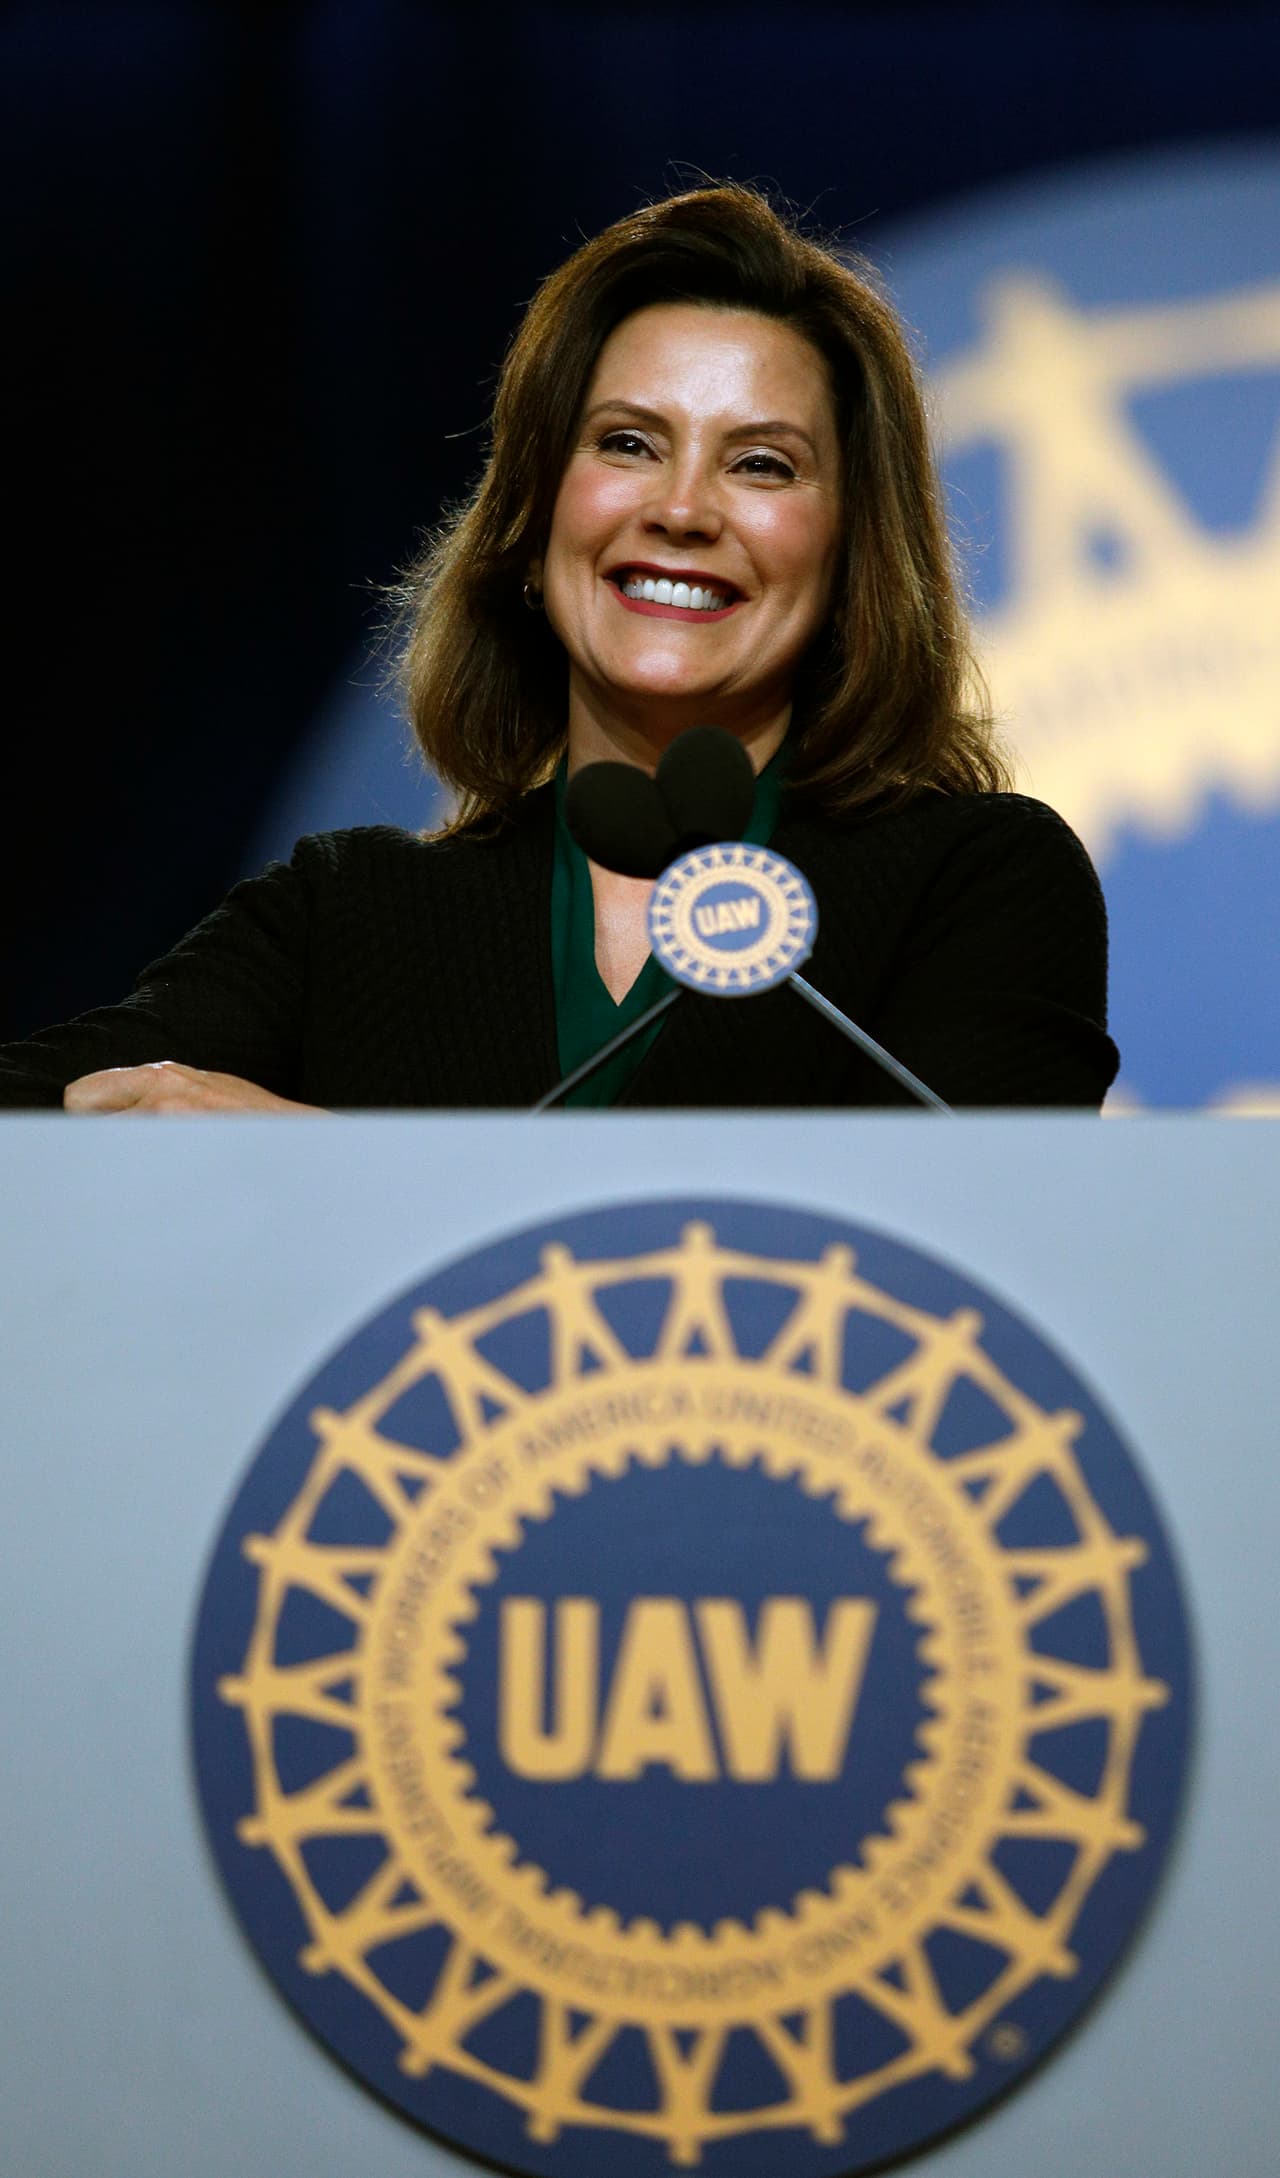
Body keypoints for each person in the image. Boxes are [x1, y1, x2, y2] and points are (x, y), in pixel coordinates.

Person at [0, 184, 1117, 1114]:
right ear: (534, 525)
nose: (681, 509)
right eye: (626, 444)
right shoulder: (346, 914)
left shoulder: (974, 882)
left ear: (849, 555)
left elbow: (980, 1242)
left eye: (760, 464)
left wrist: (321, 1169)